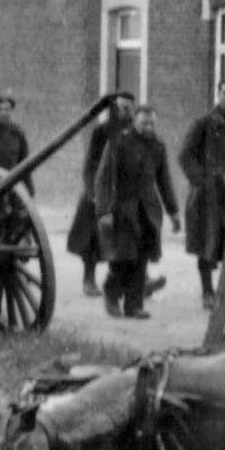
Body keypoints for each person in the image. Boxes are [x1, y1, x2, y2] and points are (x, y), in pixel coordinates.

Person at [94, 104, 181, 320]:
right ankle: (111, 296)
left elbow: (164, 180)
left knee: (141, 259)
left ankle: (134, 306)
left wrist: (174, 211)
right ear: (134, 121)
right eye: (144, 123)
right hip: (122, 209)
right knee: (124, 257)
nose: (149, 127)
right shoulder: (118, 143)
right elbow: (103, 178)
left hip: (148, 212)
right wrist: (104, 211)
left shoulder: (157, 146)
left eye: (152, 123)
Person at [179, 79, 225, 310]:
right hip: (209, 195)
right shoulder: (205, 124)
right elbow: (185, 155)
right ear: (218, 94)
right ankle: (208, 292)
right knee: (208, 242)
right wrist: (201, 180)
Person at [65, 92, 135, 298]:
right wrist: (92, 192)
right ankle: (89, 280)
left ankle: (137, 281)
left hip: (125, 191)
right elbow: (90, 163)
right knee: (92, 237)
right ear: (114, 109)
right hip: (101, 189)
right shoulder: (102, 130)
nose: (125, 111)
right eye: (121, 107)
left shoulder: (136, 131)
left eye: (128, 107)